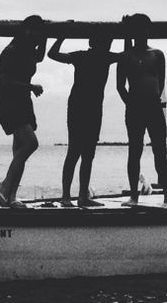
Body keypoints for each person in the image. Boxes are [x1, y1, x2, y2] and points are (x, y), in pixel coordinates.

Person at [116, 14, 167, 205]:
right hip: (135, 107)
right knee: (134, 150)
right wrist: (131, 102)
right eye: (139, 29)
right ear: (134, 31)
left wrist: (151, 99)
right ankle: (133, 196)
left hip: (153, 106)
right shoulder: (126, 57)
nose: (143, 33)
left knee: (160, 150)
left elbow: (160, 82)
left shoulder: (157, 54)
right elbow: (120, 86)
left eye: (146, 29)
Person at [48, 35, 121, 206]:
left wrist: (62, 36)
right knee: (75, 152)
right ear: (93, 42)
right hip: (79, 107)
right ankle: (66, 196)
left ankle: (81, 196)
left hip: (92, 109)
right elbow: (52, 54)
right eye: (106, 41)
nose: (108, 44)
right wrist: (62, 35)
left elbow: (126, 54)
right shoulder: (85, 56)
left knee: (87, 154)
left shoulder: (103, 57)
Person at [0, 16, 47, 206]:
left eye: (40, 34)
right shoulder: (11, 51)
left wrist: (50, 36)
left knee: (19, 149)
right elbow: (5, 82)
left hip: (22, 101)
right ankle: (5, 186)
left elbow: (40, 57)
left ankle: (11, 197)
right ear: (25, 31)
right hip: (8, 103)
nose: (37, 37)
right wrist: (30, 87)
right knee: (30, 144)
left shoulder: (28, 51)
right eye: (35, 32)